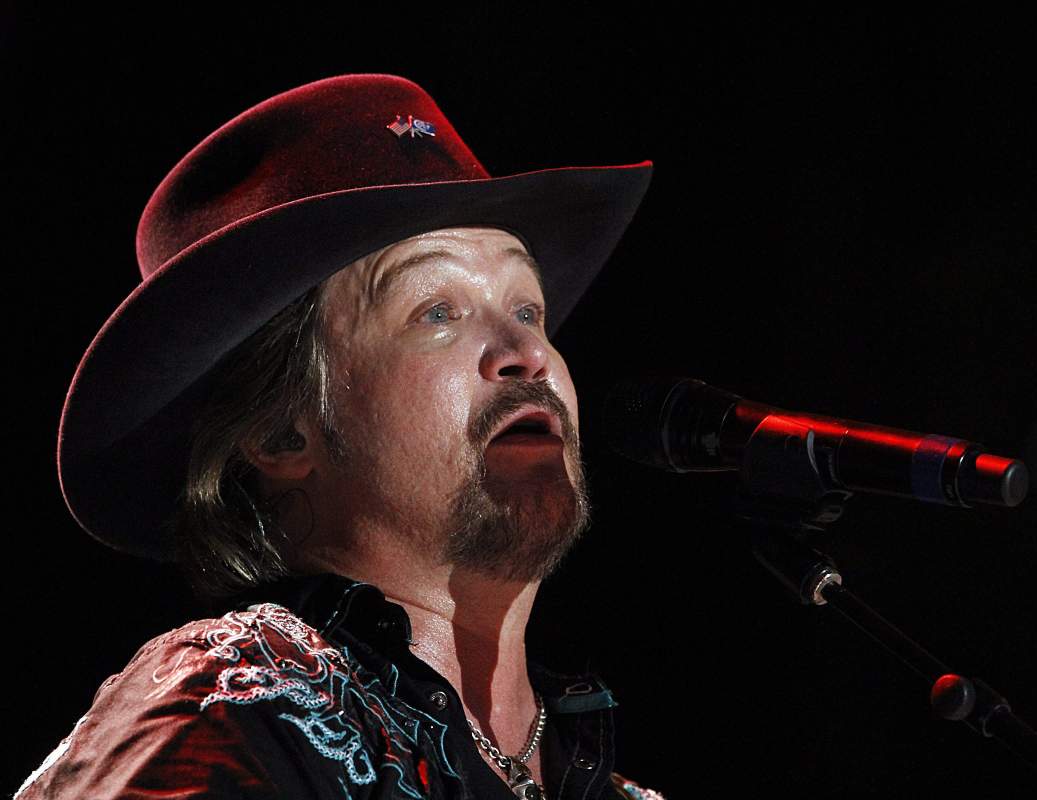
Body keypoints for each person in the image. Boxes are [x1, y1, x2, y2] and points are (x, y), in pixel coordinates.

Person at [19, 74, 660, 800]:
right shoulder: (226, 706)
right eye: (438, 311)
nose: (527, 353)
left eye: (528, 308)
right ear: (280, 432)